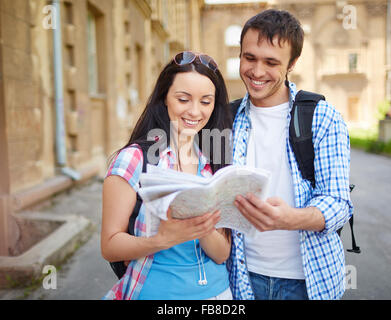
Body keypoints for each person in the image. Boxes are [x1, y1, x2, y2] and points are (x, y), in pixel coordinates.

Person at [227, 9, 353, 300]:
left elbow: (338, 204)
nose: (257, 72)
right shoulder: (226, 118)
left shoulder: (323, 117)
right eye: (250, 58)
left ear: (292, 63)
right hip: (239, 278)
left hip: (307, 281)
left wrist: (288, 218)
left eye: (271, 62)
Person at [101, 52, 233, 300]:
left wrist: (200, 225)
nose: (195, 111)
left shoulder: (214, 162)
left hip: (218, 295)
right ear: (164, 99)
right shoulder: (135, 159)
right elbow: (110, 246)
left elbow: (221, 253)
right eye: (183, 99)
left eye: (206, 102)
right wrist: (162, 240)